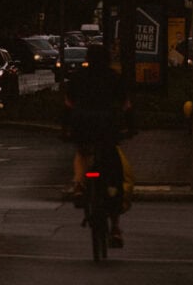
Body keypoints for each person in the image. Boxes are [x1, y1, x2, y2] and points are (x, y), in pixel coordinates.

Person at [63, 43, 133, 247]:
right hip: (107, 127)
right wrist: (131, 127)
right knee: (115, 173)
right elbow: (126, 105)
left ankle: (79, 185)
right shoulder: (114, 78)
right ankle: (116, 227)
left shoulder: (78, 78)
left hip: (82, 126)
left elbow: (68, 105)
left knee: (82, 152)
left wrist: (65, 129)